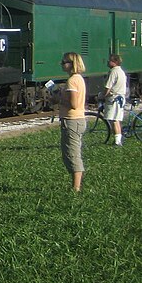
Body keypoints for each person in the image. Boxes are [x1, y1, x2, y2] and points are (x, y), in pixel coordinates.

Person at [58, 52, 87, 192]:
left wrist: (57, 100)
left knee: (73, 154)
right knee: (71, 152)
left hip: (72, 120)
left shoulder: (72, 81)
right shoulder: (79, 78)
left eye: (64, 62)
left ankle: (76, 187)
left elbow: (73, 103)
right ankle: (76, 185)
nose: (62, 64)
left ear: (72, 63)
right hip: (77, 120)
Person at [102, 53, 128, 146]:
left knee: (114, 120)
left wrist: (102, 95)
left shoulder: (113, 72)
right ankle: (117, 138)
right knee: (116, 119)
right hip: (120, 97)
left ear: (115, 62)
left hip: (114, 99)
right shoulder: (121, 71)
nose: (108, 62)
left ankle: (117, 141)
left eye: (110, 60)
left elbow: (108, 86)